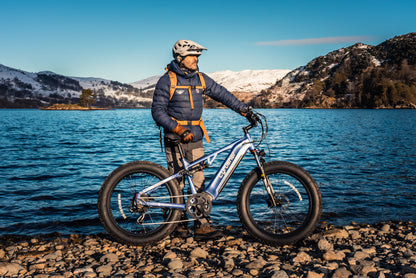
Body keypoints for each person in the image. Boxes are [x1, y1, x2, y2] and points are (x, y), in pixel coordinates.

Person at [151, 39, 253, 240]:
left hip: (196, 137)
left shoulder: (201, 79)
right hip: (175, 138)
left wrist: (243, 110)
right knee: (177, 181)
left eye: (197, 56)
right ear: (180, 58)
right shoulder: (167, 80)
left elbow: (222, 94)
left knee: (198, 181)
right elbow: (157, 111)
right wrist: (178, 129)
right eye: (192, 56)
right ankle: (177, 225)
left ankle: (202, 225)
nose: (196, 59)